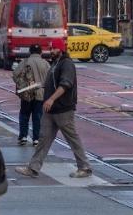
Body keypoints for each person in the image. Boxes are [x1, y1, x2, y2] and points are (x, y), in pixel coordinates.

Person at [17, 47, 93, 179]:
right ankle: (33, 168)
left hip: (63, 108)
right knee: (43, 139)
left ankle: (84, 167)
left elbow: (66, 84)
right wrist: (38, 87)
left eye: (54, 48)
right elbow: (52, 82)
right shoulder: (55, 63)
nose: (51, 51)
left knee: (72, 138)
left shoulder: (67, 64)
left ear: (61, 49)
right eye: (50, 48)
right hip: (50, 110)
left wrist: (51, 99)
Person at [13, 44, 49, 146]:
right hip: (40, 93)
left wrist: (21, 84)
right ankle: (36, 138)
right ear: (40, 52)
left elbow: (15, 74)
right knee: (37, 116)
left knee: (24, 114)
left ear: (30, 52)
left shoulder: (25, 62)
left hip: (26, 93)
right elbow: (50, 78)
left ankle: (23, 136)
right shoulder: (45, 63)